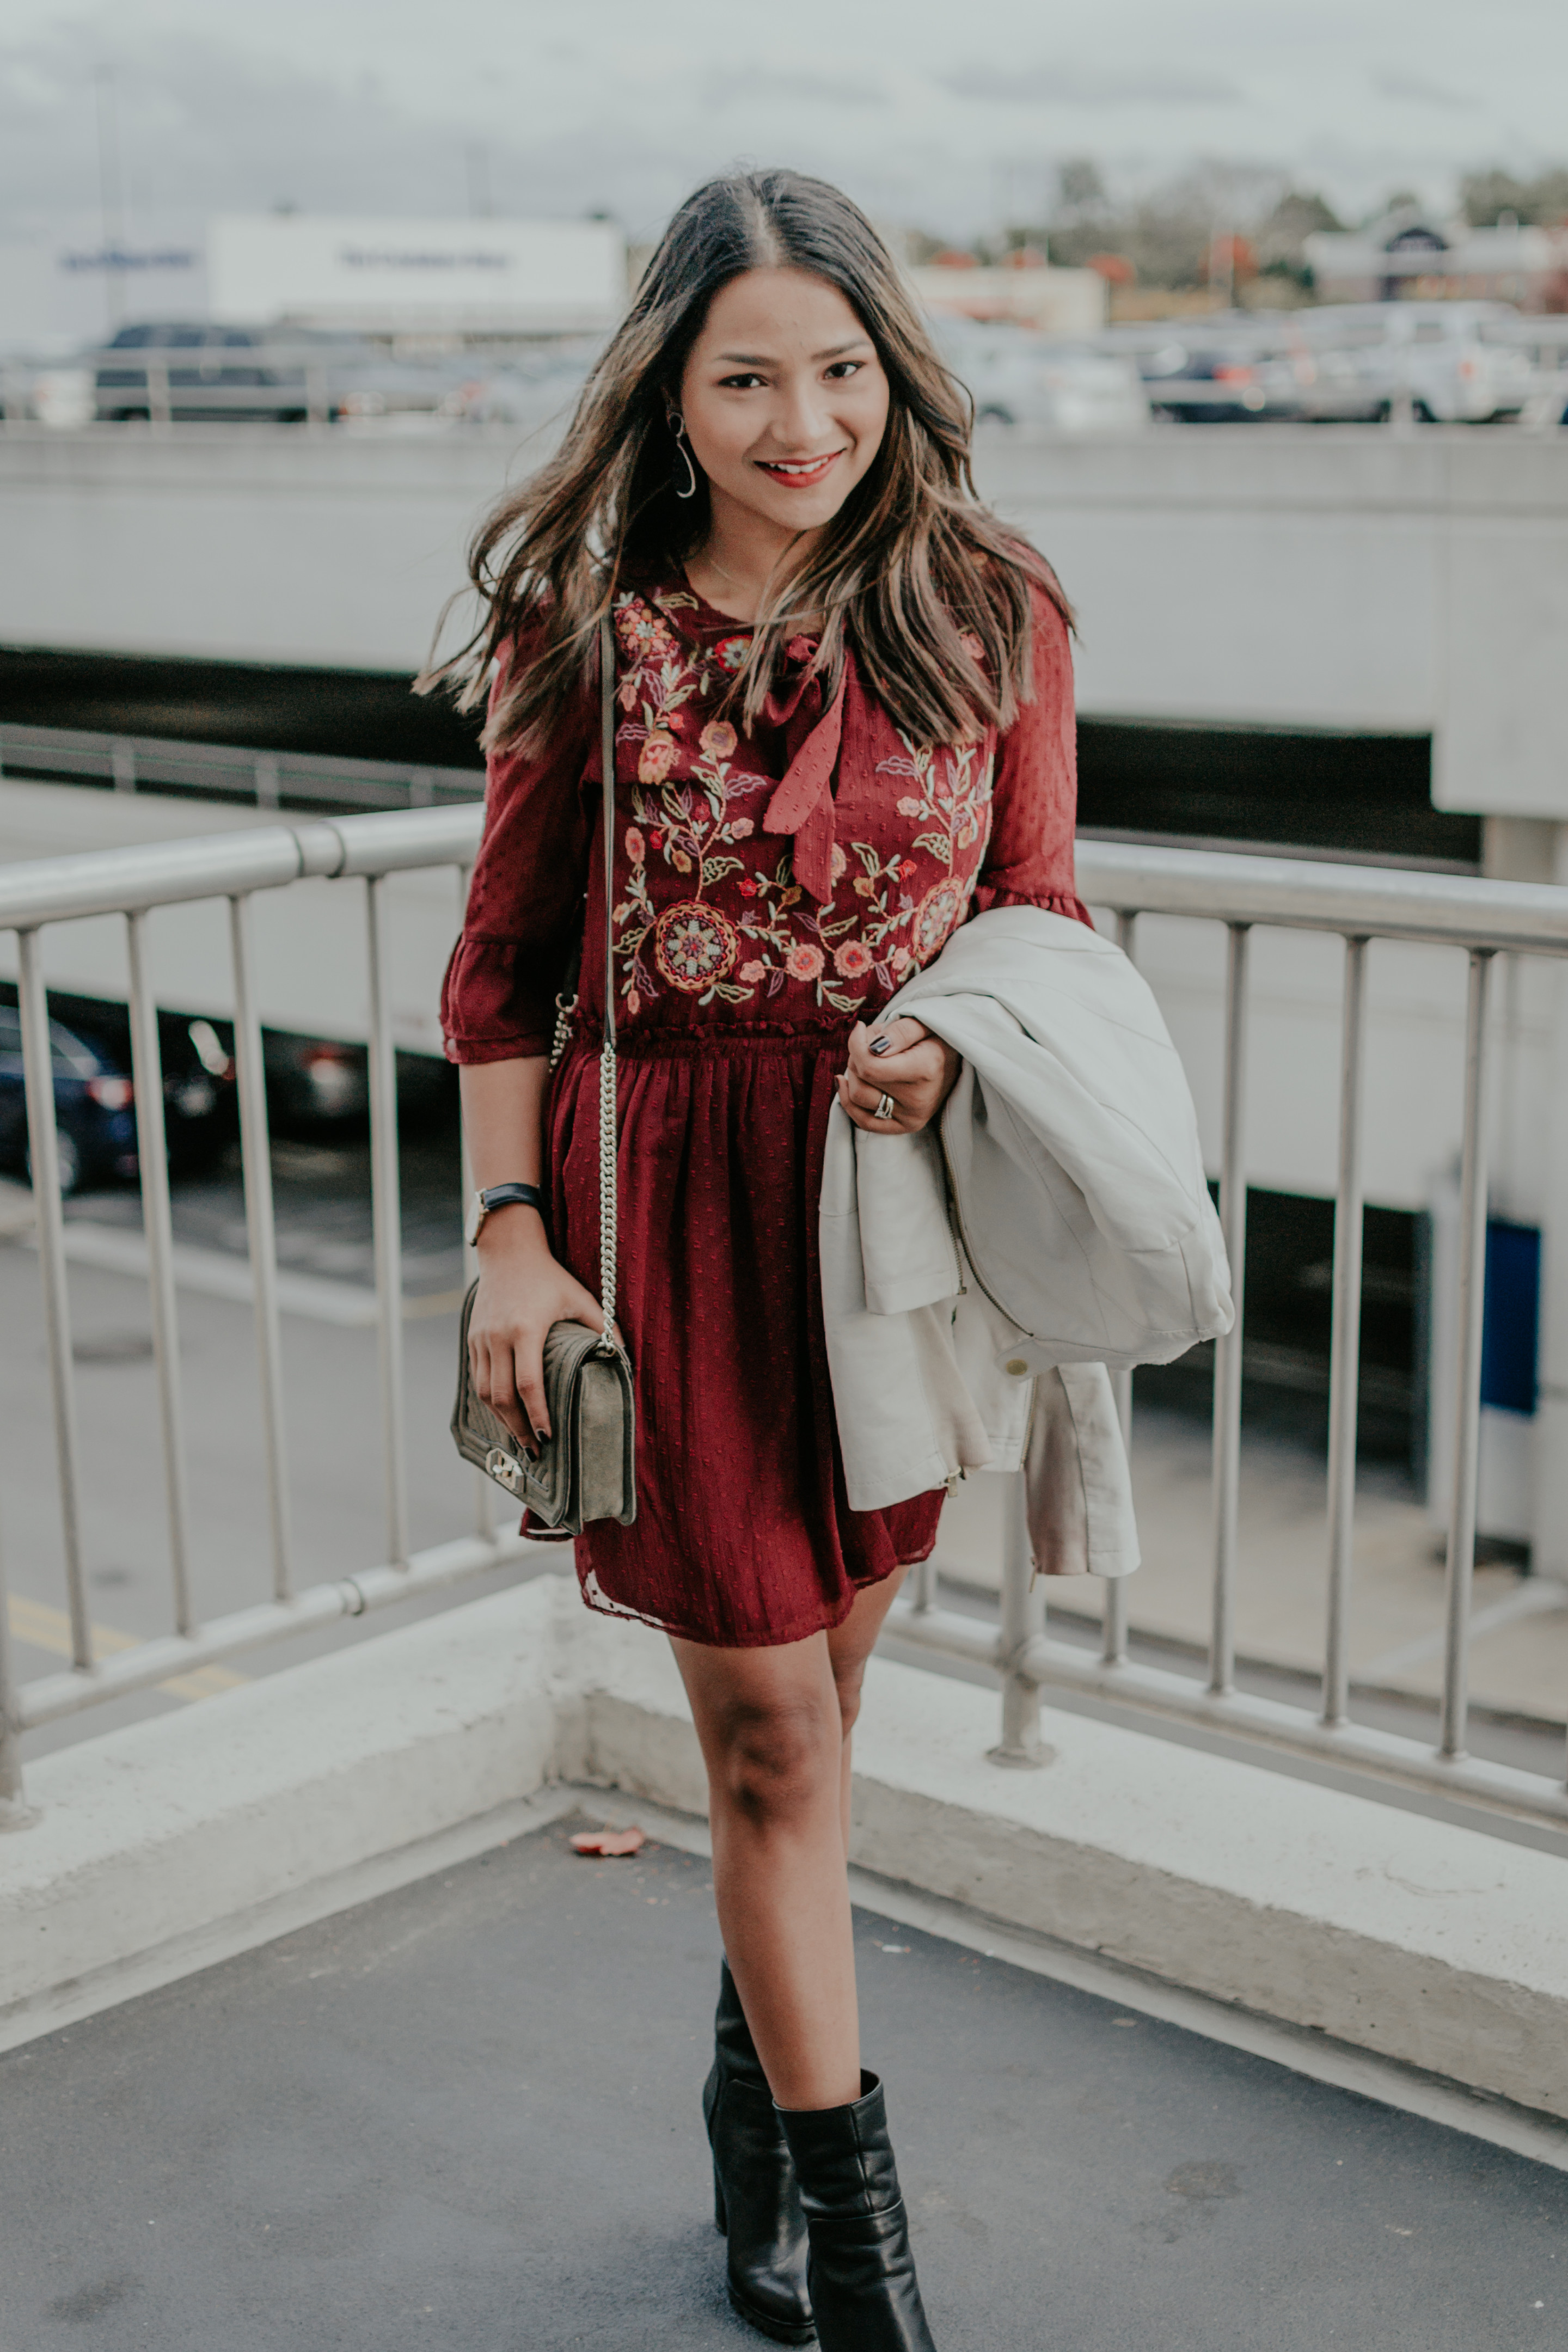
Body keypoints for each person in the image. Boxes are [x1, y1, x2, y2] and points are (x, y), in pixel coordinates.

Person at [432, 167, 1089, 2351]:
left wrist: (949, 1038)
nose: (806, 422)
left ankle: (750, 2109)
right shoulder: (594, 636)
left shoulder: (992, 603)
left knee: (829, 1706)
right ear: (673, 395)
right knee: (776, 1754)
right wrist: (512, 1239)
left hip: (887, 1237)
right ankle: (870, 2261)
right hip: (673, 1226)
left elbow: (1042, 916)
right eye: (749, 379)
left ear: (894, 373)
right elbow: (503, 972)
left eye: (842, 371)